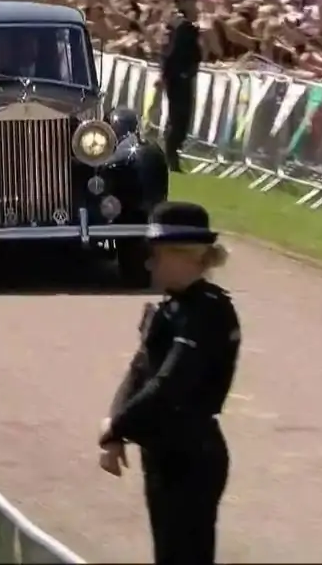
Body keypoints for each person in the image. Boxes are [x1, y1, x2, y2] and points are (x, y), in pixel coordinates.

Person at [99, 201, 241, 565]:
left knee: (185, 555)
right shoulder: (172, 309)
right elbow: (139, 370)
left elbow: (170, 383)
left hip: (192, 455)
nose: (150, 262)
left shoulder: (207, 312)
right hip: (164, 452)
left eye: (157, 254)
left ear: (187, 257)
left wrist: (118, 425)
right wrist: (115, 431)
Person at [160, 0, 202, 173]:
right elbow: (173, 53)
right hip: (180, 76)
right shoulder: (184, 27)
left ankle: (171, 155)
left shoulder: (174, 23)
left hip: (177, 75)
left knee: (177, 117)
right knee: (179, 118)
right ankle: (171, 157)